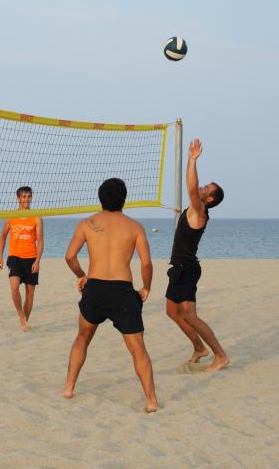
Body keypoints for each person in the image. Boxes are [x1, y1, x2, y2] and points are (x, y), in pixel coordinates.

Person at [63, 178, 159, 413]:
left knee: (82, 337)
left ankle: (69, 388)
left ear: (100, 197)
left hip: (94, 288)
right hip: (121, 291)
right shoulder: (135, 227)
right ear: (124, 199)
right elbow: (146, 263)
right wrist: (146, 287)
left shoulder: (87, 223)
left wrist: (82, 275)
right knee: (138, 347)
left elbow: (69, 257)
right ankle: (151, 401)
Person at [165, 139, 229, 371]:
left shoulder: (200, 209)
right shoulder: (193, 210)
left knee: (190, 315)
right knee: (172, 311)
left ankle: (220, 355)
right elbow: (193, 190)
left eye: (206, 189)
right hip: (178, 267)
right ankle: (199, 347)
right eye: (203, 187)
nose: (201, 189)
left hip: (187, 268)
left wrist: (192, 159)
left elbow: (191, 187)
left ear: (209, 199)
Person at [0, 186, 44, 330]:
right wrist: (0, 256)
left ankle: (25, 322)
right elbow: (3, 236)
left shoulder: (37, 217)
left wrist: (37, 261)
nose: (26, 199)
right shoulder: (11, 216)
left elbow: (40, 241)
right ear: (18, 198)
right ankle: (22, 318)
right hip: (15, 257)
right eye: (24, 196)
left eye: (29, 196)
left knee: (30, 294)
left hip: (31, 258)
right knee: (14, 288)